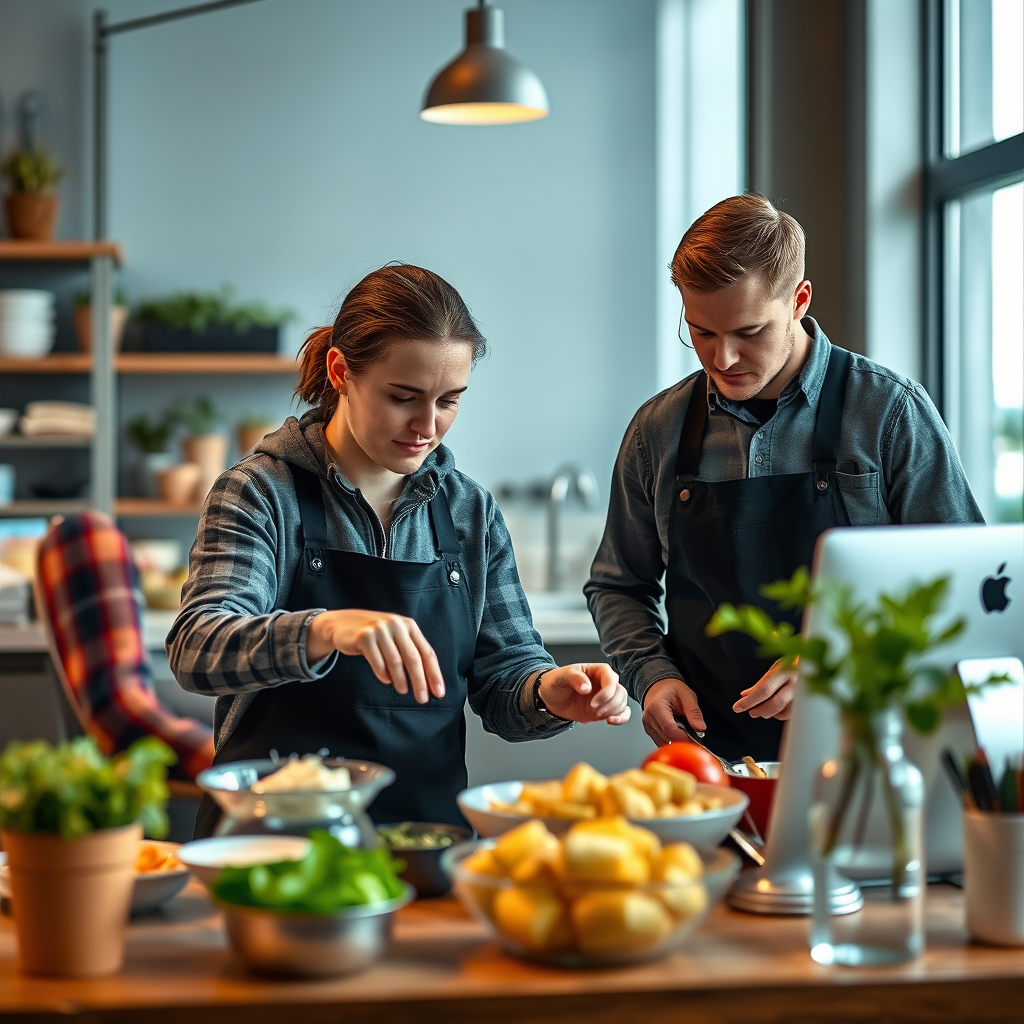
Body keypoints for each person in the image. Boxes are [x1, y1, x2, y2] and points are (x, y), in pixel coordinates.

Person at [168, 264, 629, 835]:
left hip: (423, 840)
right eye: (403, 397)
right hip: (274, 843)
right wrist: (325, 629)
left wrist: (548, 692)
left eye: (449, 401)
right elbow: (197, 647)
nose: (427, 426)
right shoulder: (261, 492)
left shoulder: (470, 512)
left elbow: (505, 674)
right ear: (341, 371)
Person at [585, 194, 983, 764]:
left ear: (799, 301)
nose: (722, 359)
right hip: (710, 765)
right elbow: (619, 585)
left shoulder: (889, 412)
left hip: (870, 760)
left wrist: (841, 658)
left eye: (749, 331)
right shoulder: (657, 430)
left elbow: (962, 585)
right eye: (700, 333)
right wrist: (650, 676)